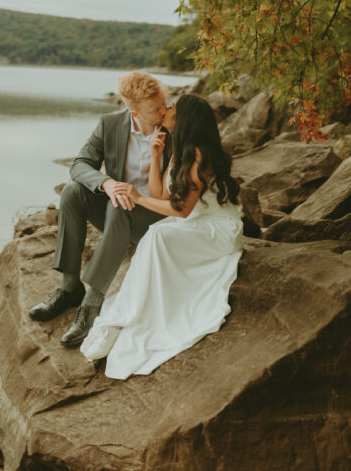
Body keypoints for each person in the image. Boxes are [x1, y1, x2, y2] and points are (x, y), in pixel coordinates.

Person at [79, 93, 244, 380]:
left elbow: (180, 211)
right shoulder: (180, 151)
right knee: (158, 235)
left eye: (172, 109)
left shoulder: (200, 156)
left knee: (158, 234)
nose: (165, 111)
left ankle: (125, 318)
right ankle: (124, 316)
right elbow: (161, 195)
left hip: (215, 228)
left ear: (183, 120)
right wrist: (155, 157)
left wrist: (137, 198)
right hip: (193, 222)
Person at [28, 70, 173, 347]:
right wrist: (105, 183)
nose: (163, 112)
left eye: (163, 104)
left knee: (121, 206)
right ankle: (70, 286)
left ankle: (92, 304)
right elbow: (80, 164)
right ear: (134, 113)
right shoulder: (110, 125)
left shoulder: (173, 129)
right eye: (155, 109)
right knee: (72, 192)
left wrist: (127, 196)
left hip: (154, 216)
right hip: (117, 211)